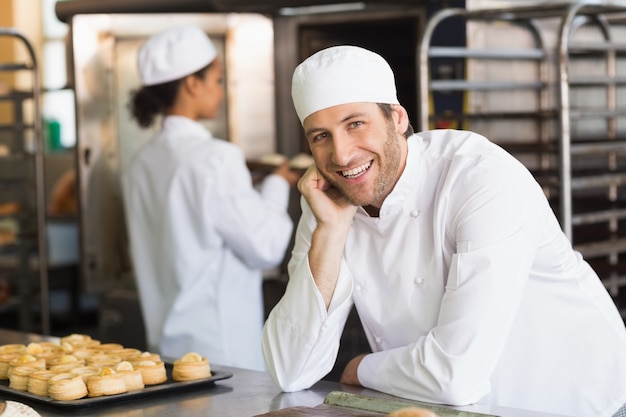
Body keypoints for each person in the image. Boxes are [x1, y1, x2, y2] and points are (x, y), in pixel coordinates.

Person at [262, 45, 626, 417]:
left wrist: (359, 369)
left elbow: (456, 375)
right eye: (320, 136)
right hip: (461, 407)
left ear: (398, 118)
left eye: (355, 123)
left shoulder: (480, 179)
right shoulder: (328, 200)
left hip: (583, 401)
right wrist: (330, 232)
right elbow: (291, 370)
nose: (340, 155)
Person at [121, 25, 300, 371]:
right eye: (217, 80)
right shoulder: (216, 158)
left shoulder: (140, 162)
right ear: (192, 83)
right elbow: (267, 246)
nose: (221, 90)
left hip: (165, 352)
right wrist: (277, 184)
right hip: (219, 355)